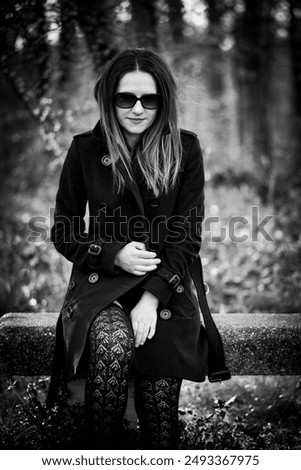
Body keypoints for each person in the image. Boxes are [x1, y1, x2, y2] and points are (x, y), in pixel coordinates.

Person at [48, 48, 228, 450]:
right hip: (101, 285)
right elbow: (64, 230)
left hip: (166, 284)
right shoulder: (84, 151)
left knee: (160, 411)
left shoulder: (185, 149)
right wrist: (112, 253)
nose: (137, 108)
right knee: (111, 345)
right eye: (125, 98)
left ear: (163, 101)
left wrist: (152, 295)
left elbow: (186, 236)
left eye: (149, 99)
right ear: (109, 98)